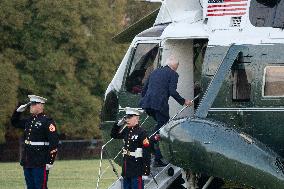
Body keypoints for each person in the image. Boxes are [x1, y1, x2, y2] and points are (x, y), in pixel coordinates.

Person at [139, 55, 192, 167]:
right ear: (175, 66)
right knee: (163, 129)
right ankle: (155, 155)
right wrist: (184, 101)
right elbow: (172, 91)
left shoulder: (155, 72)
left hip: (147, 104)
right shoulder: (173, 74)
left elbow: (144, 89)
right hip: (159, 105)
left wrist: (145, 101)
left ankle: (151, 145)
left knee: (159, 126)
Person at [11, 95, 59, 189]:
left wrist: (50, 161)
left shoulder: (47, 121)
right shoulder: (29, 121)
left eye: (33, 104)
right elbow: (14, 123)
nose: (31, 106)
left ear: (40, 105)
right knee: (30, 187)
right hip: (28, 160)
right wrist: (17, 111)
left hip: (40, 161)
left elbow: (54, 142)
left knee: (40, 187)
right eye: (30, 104)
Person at [110, 107, 151, 189]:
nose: (126, 120)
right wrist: (118, 124)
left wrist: (146, 171)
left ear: (136, 118)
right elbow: (114, 135)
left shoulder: (142, 132)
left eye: (129, 117)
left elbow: (146, 153)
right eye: (125, 117)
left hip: (137, 169)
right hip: (126, 169)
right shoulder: (126, 130)